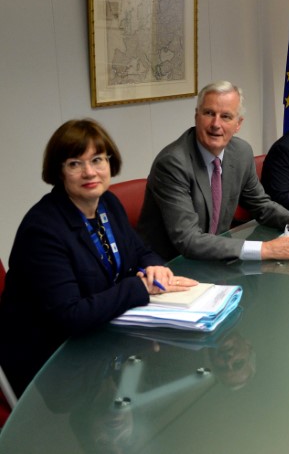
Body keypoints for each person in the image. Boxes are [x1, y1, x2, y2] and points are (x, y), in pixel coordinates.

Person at [0, 119, 197, 397]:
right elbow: (71, 316)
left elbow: (139, 251)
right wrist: (138, 288)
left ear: (110, 162)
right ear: (59, 171)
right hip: (52, 363)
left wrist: (154, 266)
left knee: (176, 368)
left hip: (103, 337)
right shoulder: (43, 230)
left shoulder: (108, 204)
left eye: (97, 159)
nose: (89, 172)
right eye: (74, 163)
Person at [138, 81, 289, 262]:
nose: (216, 124)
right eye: (209, 113)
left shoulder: (240, 152)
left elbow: (261, 204)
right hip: (170, 266)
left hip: (216, 257)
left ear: (238, 124)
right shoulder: (173, 163)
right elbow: (189, 240)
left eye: (226, 116)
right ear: (196, 116)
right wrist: (266, 249)